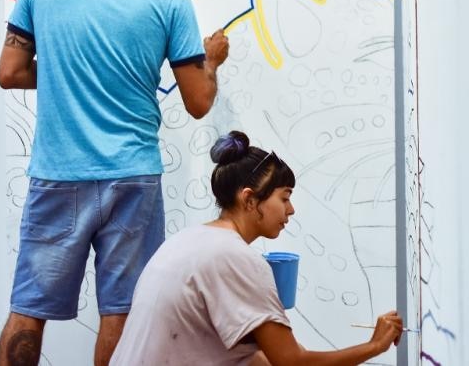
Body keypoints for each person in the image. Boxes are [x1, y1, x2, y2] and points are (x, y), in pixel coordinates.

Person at [0, 0, 230, 366]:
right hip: (131, 178)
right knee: (123, 315)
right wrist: (212, 61)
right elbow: (199, 102)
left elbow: (10, 72)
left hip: (58, 174)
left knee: (27, 311)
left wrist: (68, 70)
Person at [110, 130, 403, 365]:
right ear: (250, 200)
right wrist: (374, 346)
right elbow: (291, 362)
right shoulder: (235, 257)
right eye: (284, 197)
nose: (291, 210)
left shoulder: (189, 240)